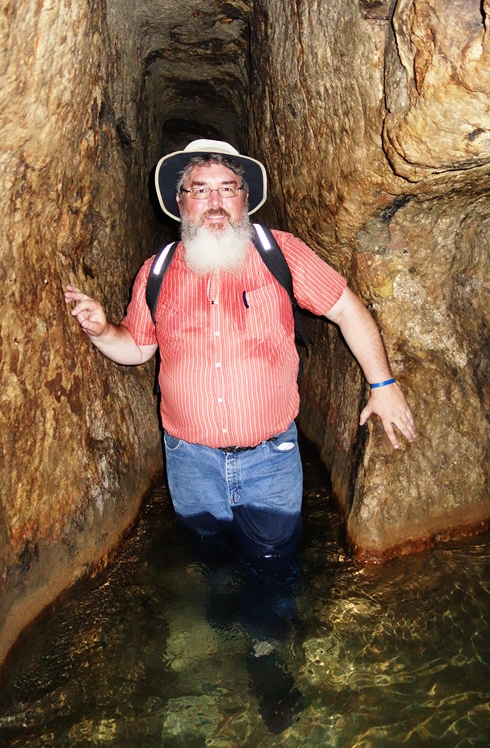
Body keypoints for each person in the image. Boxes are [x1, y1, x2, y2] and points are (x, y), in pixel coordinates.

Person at [65, 139, 416, 561]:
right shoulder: (156, 271)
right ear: (180, 202)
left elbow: (346, 308)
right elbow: (138, 347)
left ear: (245, 199)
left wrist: (384, 383)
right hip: (189, 463)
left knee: (272, 571)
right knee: (207, 563)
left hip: (270, 460)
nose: (215, 201)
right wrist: (102, 330)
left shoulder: (280, 252)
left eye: (228, 188)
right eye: (199, 189)